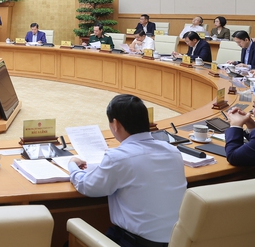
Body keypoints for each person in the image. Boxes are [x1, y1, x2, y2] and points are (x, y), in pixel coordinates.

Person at [68, 94, 186, 247]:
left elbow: (87, 186)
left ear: (116, 124)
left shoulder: (118, 158)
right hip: (178, 241)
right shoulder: (173, 152)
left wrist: (72, 166)